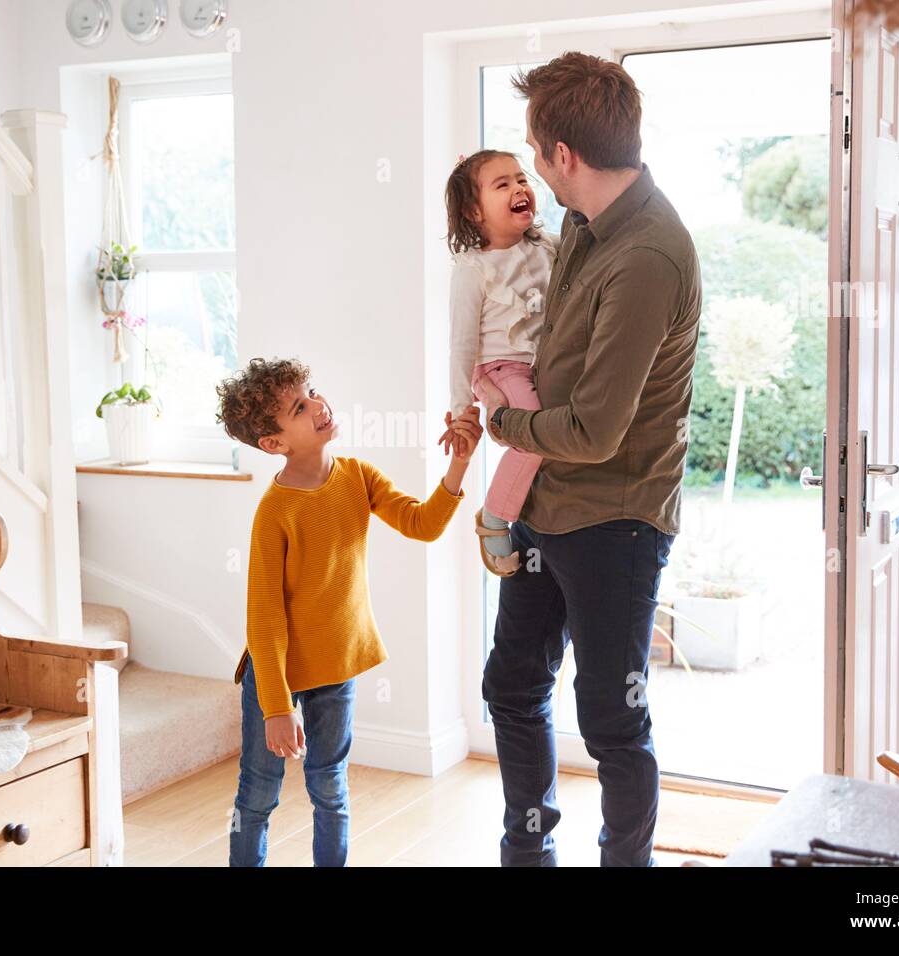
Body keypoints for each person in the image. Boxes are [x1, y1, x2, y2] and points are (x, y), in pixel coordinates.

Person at [476, 52, 703, 867]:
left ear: (563, 155)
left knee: (611, 721)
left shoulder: (647, 255)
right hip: (546, 507)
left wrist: (503, 423)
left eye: (538, 151)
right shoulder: (580, 224)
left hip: (615, 520)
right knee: (511, 688)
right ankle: (528, 854)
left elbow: (597, 431)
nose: (536, 168)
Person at [215, 357, 482, 866]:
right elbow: (265, 619)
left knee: (330, 790)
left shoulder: (358, 476)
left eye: (312, 391)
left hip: (336, 669)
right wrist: (276, 707)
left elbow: (421, 525)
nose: (318, 403)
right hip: (276, 677)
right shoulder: (275, 511)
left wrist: (460, 464)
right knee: (257, 794)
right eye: (299, 406)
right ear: (273, 443)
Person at [442, 149, 559, 577]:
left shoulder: (546, 246)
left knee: (545, 431)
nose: (519, 188)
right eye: (502, 184)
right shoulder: (473, 268)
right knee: (531, 429)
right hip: (498, 367)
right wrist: (461, 410)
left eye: (521, 178)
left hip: (539, 362)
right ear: (475, 211)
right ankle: (494, 516)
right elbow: (460, 343)